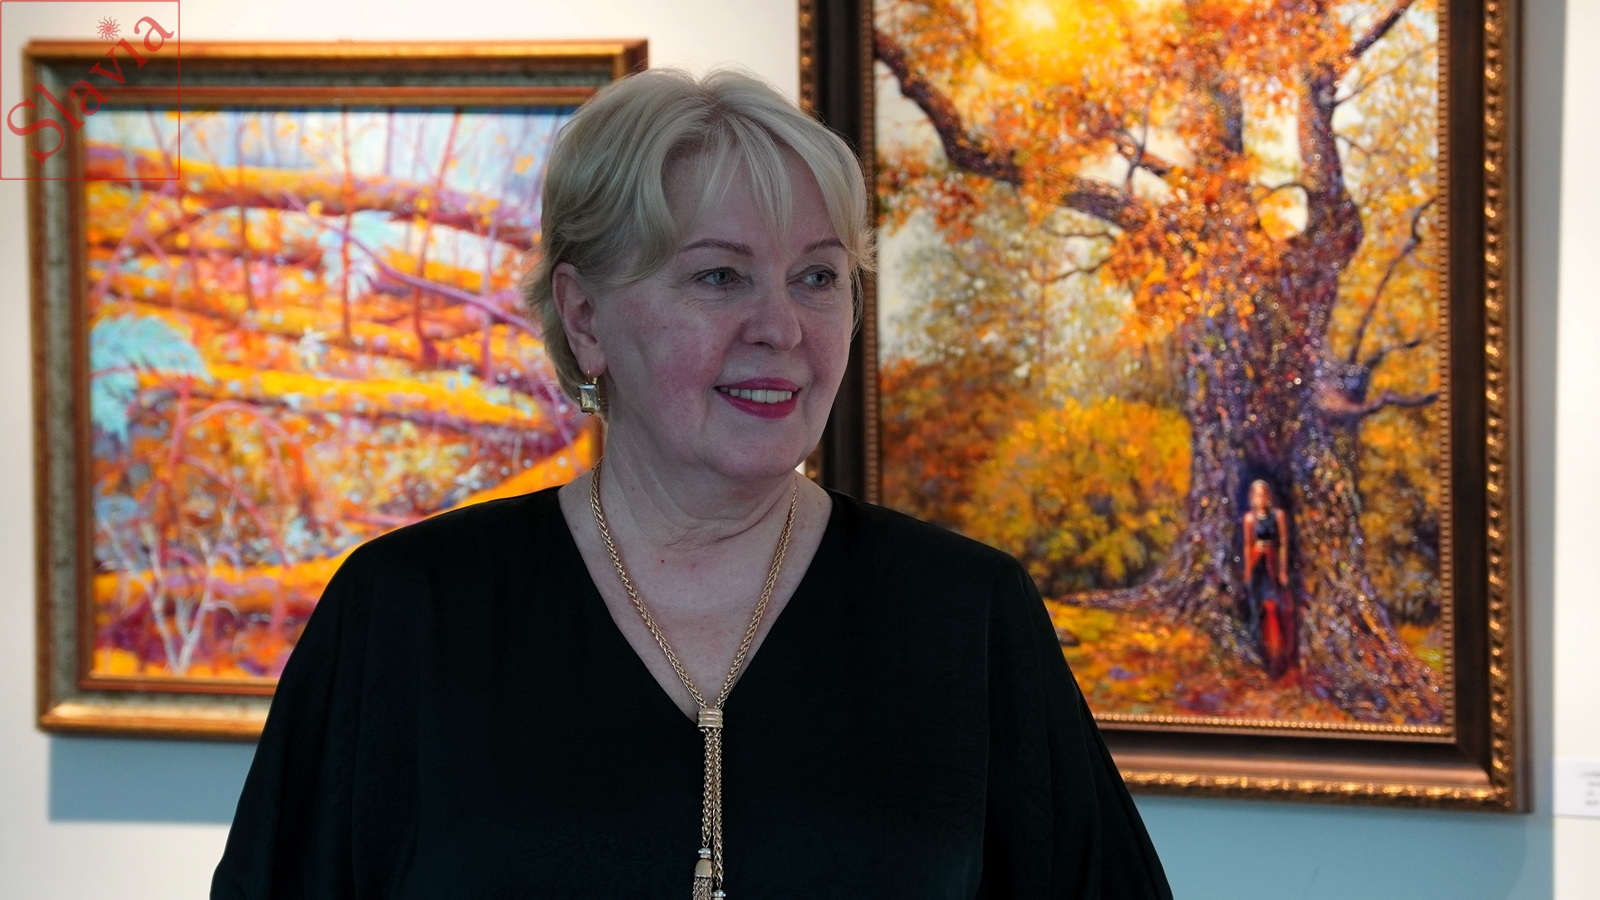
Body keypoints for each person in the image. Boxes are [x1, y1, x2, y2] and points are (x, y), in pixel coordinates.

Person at [211, 68, 1171, 899]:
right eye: (719, 277)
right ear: (584, 317)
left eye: (818, 277)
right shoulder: (407, 613)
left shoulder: (967, 613)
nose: (781, 328)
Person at [1242, 479, 1293, 678]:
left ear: (1268, 496)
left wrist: (1283, 570)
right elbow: (1247, 545)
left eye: (1263, 494)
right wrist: (1248, 570)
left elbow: (1283, 543)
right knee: (1259, 610)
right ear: (1251, 498)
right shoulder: (1249, 519)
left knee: (1274, 607)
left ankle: (1278, 658)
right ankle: (1261, 657)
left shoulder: (1277, 516)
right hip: (1258, 566)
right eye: (1256, 495)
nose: (1260, 498)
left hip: (1272, 566)